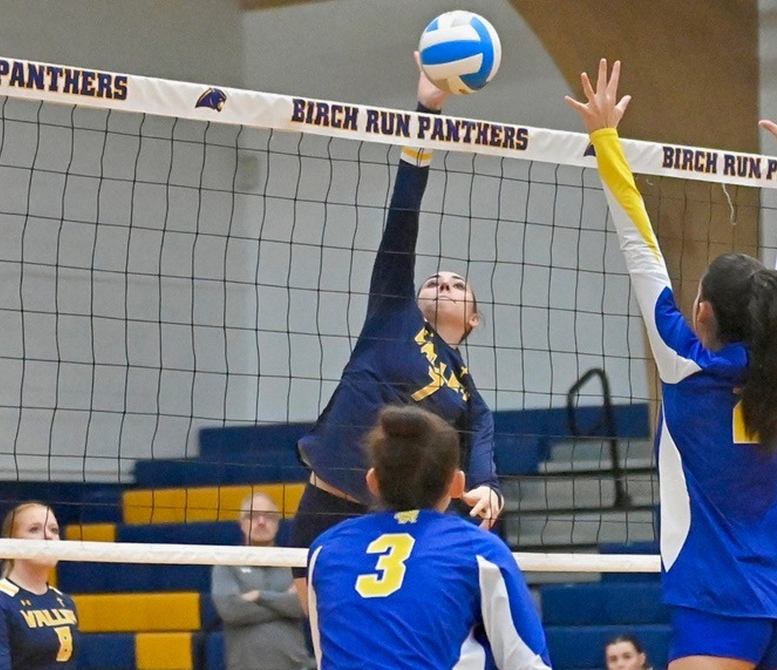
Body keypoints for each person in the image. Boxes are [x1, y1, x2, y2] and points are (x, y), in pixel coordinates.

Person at [566, 58, 777, 670]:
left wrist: (605, 138)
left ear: (703, 313)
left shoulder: (681, 363)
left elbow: (639, 242)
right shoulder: (776, 364)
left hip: (716, 601)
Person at [290, 53, 502, 609]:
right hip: (333, 505)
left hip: (400, 527)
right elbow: (402, 217)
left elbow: (479, 440)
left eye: (458, 287)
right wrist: (425, 113)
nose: (443, 283)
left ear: (473, 321)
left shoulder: (466, 393)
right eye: (437, 279)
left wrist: (488, 485)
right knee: (326, 641)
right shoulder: (394, 313)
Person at [306, 404, 550, 670]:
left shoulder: (325, 550)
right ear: (457, 484)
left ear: (372, 481)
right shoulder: (479, 550)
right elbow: (529, 664)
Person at [211, 492, 313, 670]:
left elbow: (302, 606)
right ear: (241, 523)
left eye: (269, 516)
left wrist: (259, 596)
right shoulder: (227, 562)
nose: (261, 521)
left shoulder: (294, 562)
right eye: (253, 516)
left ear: (278, 523)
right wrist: (283, 601)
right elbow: (230, 609)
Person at [0, 501, 79, 669]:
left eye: (54, 530)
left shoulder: (66, 602)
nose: (48, 536)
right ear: (11, 542)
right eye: (34, 529)